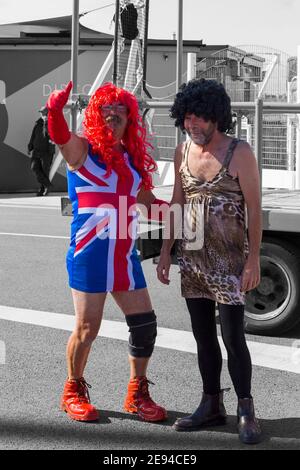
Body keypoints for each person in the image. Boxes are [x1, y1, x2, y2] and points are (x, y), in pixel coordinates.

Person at [46, 81, 168, 423]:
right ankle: (72, 389)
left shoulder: (131, 162)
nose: (113, 117)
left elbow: (148, 206)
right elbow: (60, 136)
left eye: (120, 112)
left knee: (145, 326)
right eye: (106, 111)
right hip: (90, 255)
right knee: (87, 328)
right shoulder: (81, 152)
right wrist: (55, 112)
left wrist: (188, 211)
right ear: (96, 116)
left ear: (130, 119)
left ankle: (137, 393)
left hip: (125, 256)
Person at [156, 78, 262, 444]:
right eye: (186, 117)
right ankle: (211, 403)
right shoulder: (182, 151)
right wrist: (167, 250)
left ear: (216, 116)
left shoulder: (240, 152)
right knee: (203, 337)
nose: (192, 124)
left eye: (199, 117)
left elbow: (254, 210)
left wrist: (253, 261)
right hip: (193, 261)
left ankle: (246, 408)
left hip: (231, 264)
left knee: (233, 337)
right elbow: (176, 202)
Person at [28, 107, 55, 196]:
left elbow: (51, 135)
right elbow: (33, 136)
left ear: (47, 114)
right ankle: (48, 185)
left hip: (47, 152)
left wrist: (46, 123)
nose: (42, 115)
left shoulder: (52, 123)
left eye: (43, 113)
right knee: (34, 168)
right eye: (41, 113)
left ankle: (43, 189)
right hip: (36, 151)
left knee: (45, 171)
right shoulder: (37, 123)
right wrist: (30, 147)